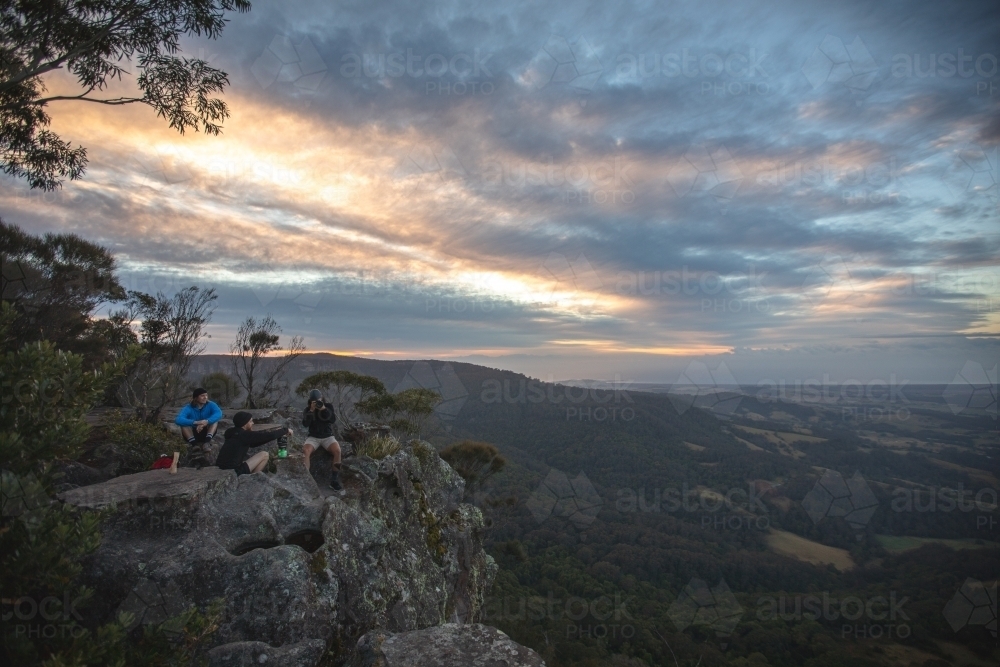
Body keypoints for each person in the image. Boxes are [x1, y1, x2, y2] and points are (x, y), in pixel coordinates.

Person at [217, 411, 291, 476]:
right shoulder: (244, 435)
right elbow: (269, 436)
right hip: (234, 472)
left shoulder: (233, 433)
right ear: (245, 424)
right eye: (250, 421)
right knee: (264, 455)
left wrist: (277, 434)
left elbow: (254, 443)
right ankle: (253, 478)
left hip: (221, 469)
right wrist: (285, 430)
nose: (253, 423)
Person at [302, 389, 343, 491]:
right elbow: (305, 424)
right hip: (313, 437)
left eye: (318, 400)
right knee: (305, 451)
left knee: (337, 451)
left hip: (327, 436)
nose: (317, 403)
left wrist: (324, 409)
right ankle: (306, 479)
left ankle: (334, 480)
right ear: (311, 401)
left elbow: (332, 420)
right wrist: (311, 411)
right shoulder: (307, 410)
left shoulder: (328, 406)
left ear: (322, 399)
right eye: (315, 401)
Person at [175, 387, 223, 469]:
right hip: (193, 433)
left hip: (206, 432)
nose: (205, 398)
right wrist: (195, 422)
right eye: (202, 396)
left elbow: (218, 414)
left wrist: (206, 422)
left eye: (206, 395)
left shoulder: (211, 405)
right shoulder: (188, 407)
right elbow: (178, 419)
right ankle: (194, 445)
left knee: (214, 421)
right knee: (183, 424)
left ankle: (207, 442)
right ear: (196, 398)